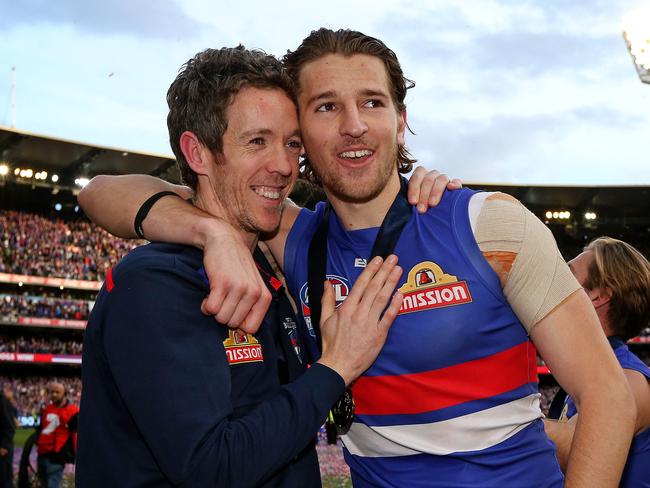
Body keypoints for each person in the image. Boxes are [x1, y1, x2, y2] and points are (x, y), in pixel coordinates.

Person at [78, 29, 635, 487]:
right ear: (305, 130)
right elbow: (100, 191)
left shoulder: (490, 223)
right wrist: (208, 233)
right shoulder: (292, 238)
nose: (353, 124)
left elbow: (607, 394)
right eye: (326, 107)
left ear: (401, 118)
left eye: (373, 102)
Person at [75, 46, 417, 488]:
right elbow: (212, 468)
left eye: (291, 144)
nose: (281, 167)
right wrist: (336, 367)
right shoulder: (156, 284)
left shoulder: (270, 262)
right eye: (257, 141)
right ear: (197, 154)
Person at [544, 237, 650, 487]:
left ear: (598, 296)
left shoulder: (628, 380)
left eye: (566, 274)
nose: (553, 280)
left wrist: (495, 410)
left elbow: (575, 449)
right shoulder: (590, 368)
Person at [37, 382, 79, 488]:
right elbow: (41, 429)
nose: (54, 394)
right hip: (42, 454)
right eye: (51, 392)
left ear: (65, 393)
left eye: (57, 392)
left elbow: (77, 432)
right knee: (44, 484)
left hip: (56, 457)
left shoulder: (72, 410)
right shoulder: (47, 408)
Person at [0, 388, 16, 488]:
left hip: (2, 448)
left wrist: (4, 446)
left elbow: (9, 426)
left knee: (4, 478)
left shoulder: (2, 401)